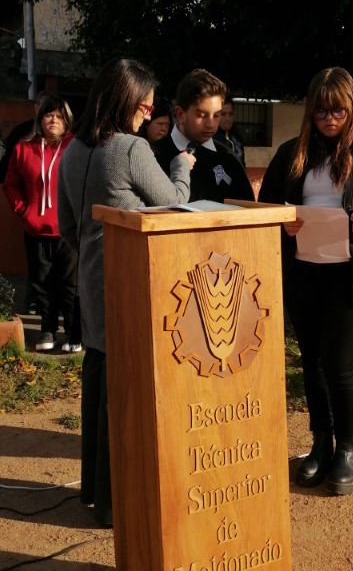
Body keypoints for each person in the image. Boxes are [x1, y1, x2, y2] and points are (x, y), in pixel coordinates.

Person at [259, 67, 353, 495]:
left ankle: (346, 448)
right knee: (311, 363)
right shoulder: (292, 153)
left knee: (339, 365)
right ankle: (320, 443)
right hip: (304, 274)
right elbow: (266, 206)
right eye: (321, 111)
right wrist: (283, 222)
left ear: (352, 109)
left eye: (338, 111)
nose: (329, 119)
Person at [57, 57, 195, 527]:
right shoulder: (132, 149)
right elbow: (175, 203)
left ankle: (98, 492)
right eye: (146, 106)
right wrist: (181, 166)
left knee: (99, 378)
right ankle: (119, 502)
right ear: (129, 102)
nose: (149, 114)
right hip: (131, 282)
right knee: (127, 390)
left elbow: (66, 226)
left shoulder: (72, 150)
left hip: (91, 280)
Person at [3, 94, 77, 351]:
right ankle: (48, 330)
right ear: (40, 118)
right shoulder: (24, 148)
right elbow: (11, 184)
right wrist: (23, 211)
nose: (53, 120)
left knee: (70, 284)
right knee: (42, 282)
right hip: (35, 228)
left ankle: (73, 333)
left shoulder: (75, 148)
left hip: (68, 230)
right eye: (48, 115)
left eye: (59, 116)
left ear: (67, 120)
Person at [152, 68, 255, 203]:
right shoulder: (153, 157)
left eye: (216, 115)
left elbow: (248, 209)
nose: (210, 124)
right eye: (201, 115)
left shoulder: (229, 159)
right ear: (180, 114)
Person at [1, 89, 48, 315]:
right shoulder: (22, 134)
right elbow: (7, 174)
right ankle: (34, 299)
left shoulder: (66, 136)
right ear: (36, 107)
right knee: (35, 259)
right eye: (44, 107)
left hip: (60, 212)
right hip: (32, 208)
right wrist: (22, 208)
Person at [215, 95, 246, 166]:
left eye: (230, 114)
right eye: (223, 114)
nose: (228, 118)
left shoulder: (237, 137)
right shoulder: (210, 140)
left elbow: (242, 164)